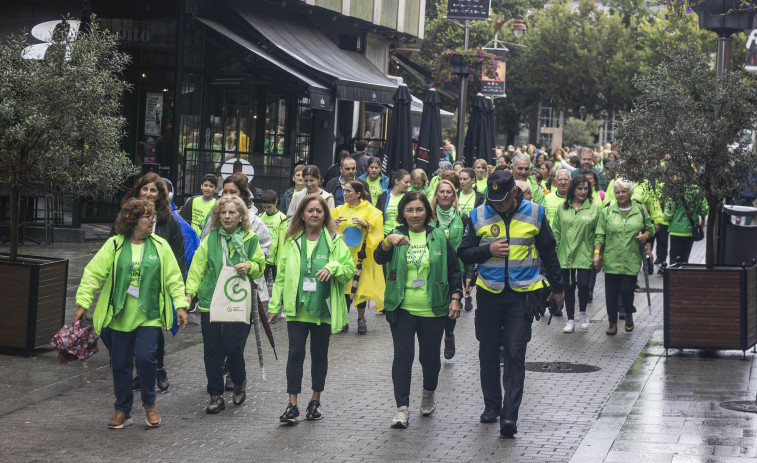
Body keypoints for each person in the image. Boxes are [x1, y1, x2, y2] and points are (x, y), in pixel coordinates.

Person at [458, 170, 564, 438]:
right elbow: (463, 251)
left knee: (516, 352)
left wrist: (559, 288)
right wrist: (487, 251)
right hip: (490, 294)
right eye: (494, 200)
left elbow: (549, 252)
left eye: (503, 200)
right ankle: (491, 406)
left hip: (522, 295)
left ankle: (509, 415)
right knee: (489, 352)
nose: (498, 205)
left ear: (515, 193)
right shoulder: (477, 214)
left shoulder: (536, 213)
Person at [74, 198, 189, 428]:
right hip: (118, 317)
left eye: (152, 216)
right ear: (132, 220)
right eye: (147, 216)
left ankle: (149, 403)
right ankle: (122, 409)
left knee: (147, 359)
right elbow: (93, 274)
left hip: (149, 316)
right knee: (120, 364)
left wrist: (180, 305)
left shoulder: (160, 246)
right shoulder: (114, 245)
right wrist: (83, 303)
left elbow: (174, 278)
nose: (152, 220)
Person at [373, 191, 463, 429]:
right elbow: (377, 258)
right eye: (410, 210)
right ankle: (401, 408)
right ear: (403, 212)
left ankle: (428, 394)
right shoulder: (395, 235)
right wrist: (385, 242)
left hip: (433, 308)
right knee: (403, 357)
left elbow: (454, 269)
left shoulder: (438, 237)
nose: (415, 215)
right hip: (401, 307)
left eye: (419, 209)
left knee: (429, 358)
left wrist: (456, 297)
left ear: (427, 211)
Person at [268, 194, 355, 423]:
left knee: (319, 356)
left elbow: (348, 270)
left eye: (319, 211)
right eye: (310, 211)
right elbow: (281, 277)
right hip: (297, 308)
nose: (315, 214)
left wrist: (333, 266)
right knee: (295, 355)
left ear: (325, 215)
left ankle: (315, 401)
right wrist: (274, 306)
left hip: (323, 309)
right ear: (302, 215)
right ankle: (292, 405)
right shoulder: (291, 241)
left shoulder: (335, 240)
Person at [185, 196, 266, 413]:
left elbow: (260, 266)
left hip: (237, 301)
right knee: (212, 351)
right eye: (223, 213)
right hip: (210, 301)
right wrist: (189, 292)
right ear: (217, 216)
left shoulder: (251, 239)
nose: (227, 216)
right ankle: (215, 395)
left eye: (231, 213)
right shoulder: (210, 240)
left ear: (241, 216)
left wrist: (249, 266)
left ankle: (239, 382)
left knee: (233, 347)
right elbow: (197, 267)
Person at [116, 173, 185, 392]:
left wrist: (179, 292)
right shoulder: (126, 216)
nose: (148, 193)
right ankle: (140, 372)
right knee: (130, 329)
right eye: (145, 189)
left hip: (156, 284)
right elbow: (111, 247)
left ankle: (158, 368)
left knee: (153, 330)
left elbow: (177, 256)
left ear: (160, 195)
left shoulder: (169, 220)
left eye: (153, 190)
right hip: (129, 284)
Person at [594, 178, 655, 335]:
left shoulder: (640, 209)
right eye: (618, 192)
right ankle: (612, 323)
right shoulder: (607, 210)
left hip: (631, 258)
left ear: (630, 192)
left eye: (624, 191)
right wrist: (597, 254)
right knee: (611, 294)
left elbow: (650, 229)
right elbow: (600, 234)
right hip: (611, 258)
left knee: (627, 291)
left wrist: (645, 235)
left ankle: (628, 314)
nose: (620, 195)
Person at [331, 181, 385, 333]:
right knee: (344, 289)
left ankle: (361, 319)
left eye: (349, 191)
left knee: (360, 289)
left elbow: (377, 222)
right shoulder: (339, 209)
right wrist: (333, 223)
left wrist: (366, 223)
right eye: (345, 191)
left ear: (358, 193)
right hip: (343, 256)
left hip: (361, 257)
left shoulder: (369, 209)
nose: (345, 194)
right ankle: (343, 320)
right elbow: (326, 224)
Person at [552, 175, 602, 333]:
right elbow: (557, 231)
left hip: (584, 253)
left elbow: (599, 233)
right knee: (568, 286)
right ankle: (570, 319)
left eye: (586, 189)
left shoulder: (594, 208)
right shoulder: (563, 207)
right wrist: (554, 253)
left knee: (583, 284)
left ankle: (582, 313)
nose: (583, 191)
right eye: (579, 188)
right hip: (565, 253)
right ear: (573, 189)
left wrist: (597, 253)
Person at [429, 180, 473, 358]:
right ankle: (432, 340)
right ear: (436, 195)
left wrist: (470, 274)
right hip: (431, 270)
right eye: (442, 192)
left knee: (451, 307)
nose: (445, 195)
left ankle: (448, 335)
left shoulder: (462, 218)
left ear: (454, 196)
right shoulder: (428, 216)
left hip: (455, 270)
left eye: (449, 192)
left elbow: (469, 248)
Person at [663, 189, 708, 264]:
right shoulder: (698, 191)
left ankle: (674, 275)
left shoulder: (674, 191)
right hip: (690, 230)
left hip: (676, 230)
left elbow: (668, 214)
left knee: (674, 260)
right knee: (685, 259)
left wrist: (670, 220)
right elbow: (704, 210)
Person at [259, 189, 287, 279]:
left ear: (276, 203)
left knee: (278, 286)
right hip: (263, 258)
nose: (266, 209)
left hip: (277, 260)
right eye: (264, 207)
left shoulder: (282, 218)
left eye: (269, 207)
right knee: (261, 287)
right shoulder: (260, 217)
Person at [376, 169, 411, 236]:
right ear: (396, 181)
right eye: (406, 182)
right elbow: (377, 217)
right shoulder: (383, 196)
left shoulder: (409, 196)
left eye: (409, 182)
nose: (408, 185)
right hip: (385, 235)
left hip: (404, 235)